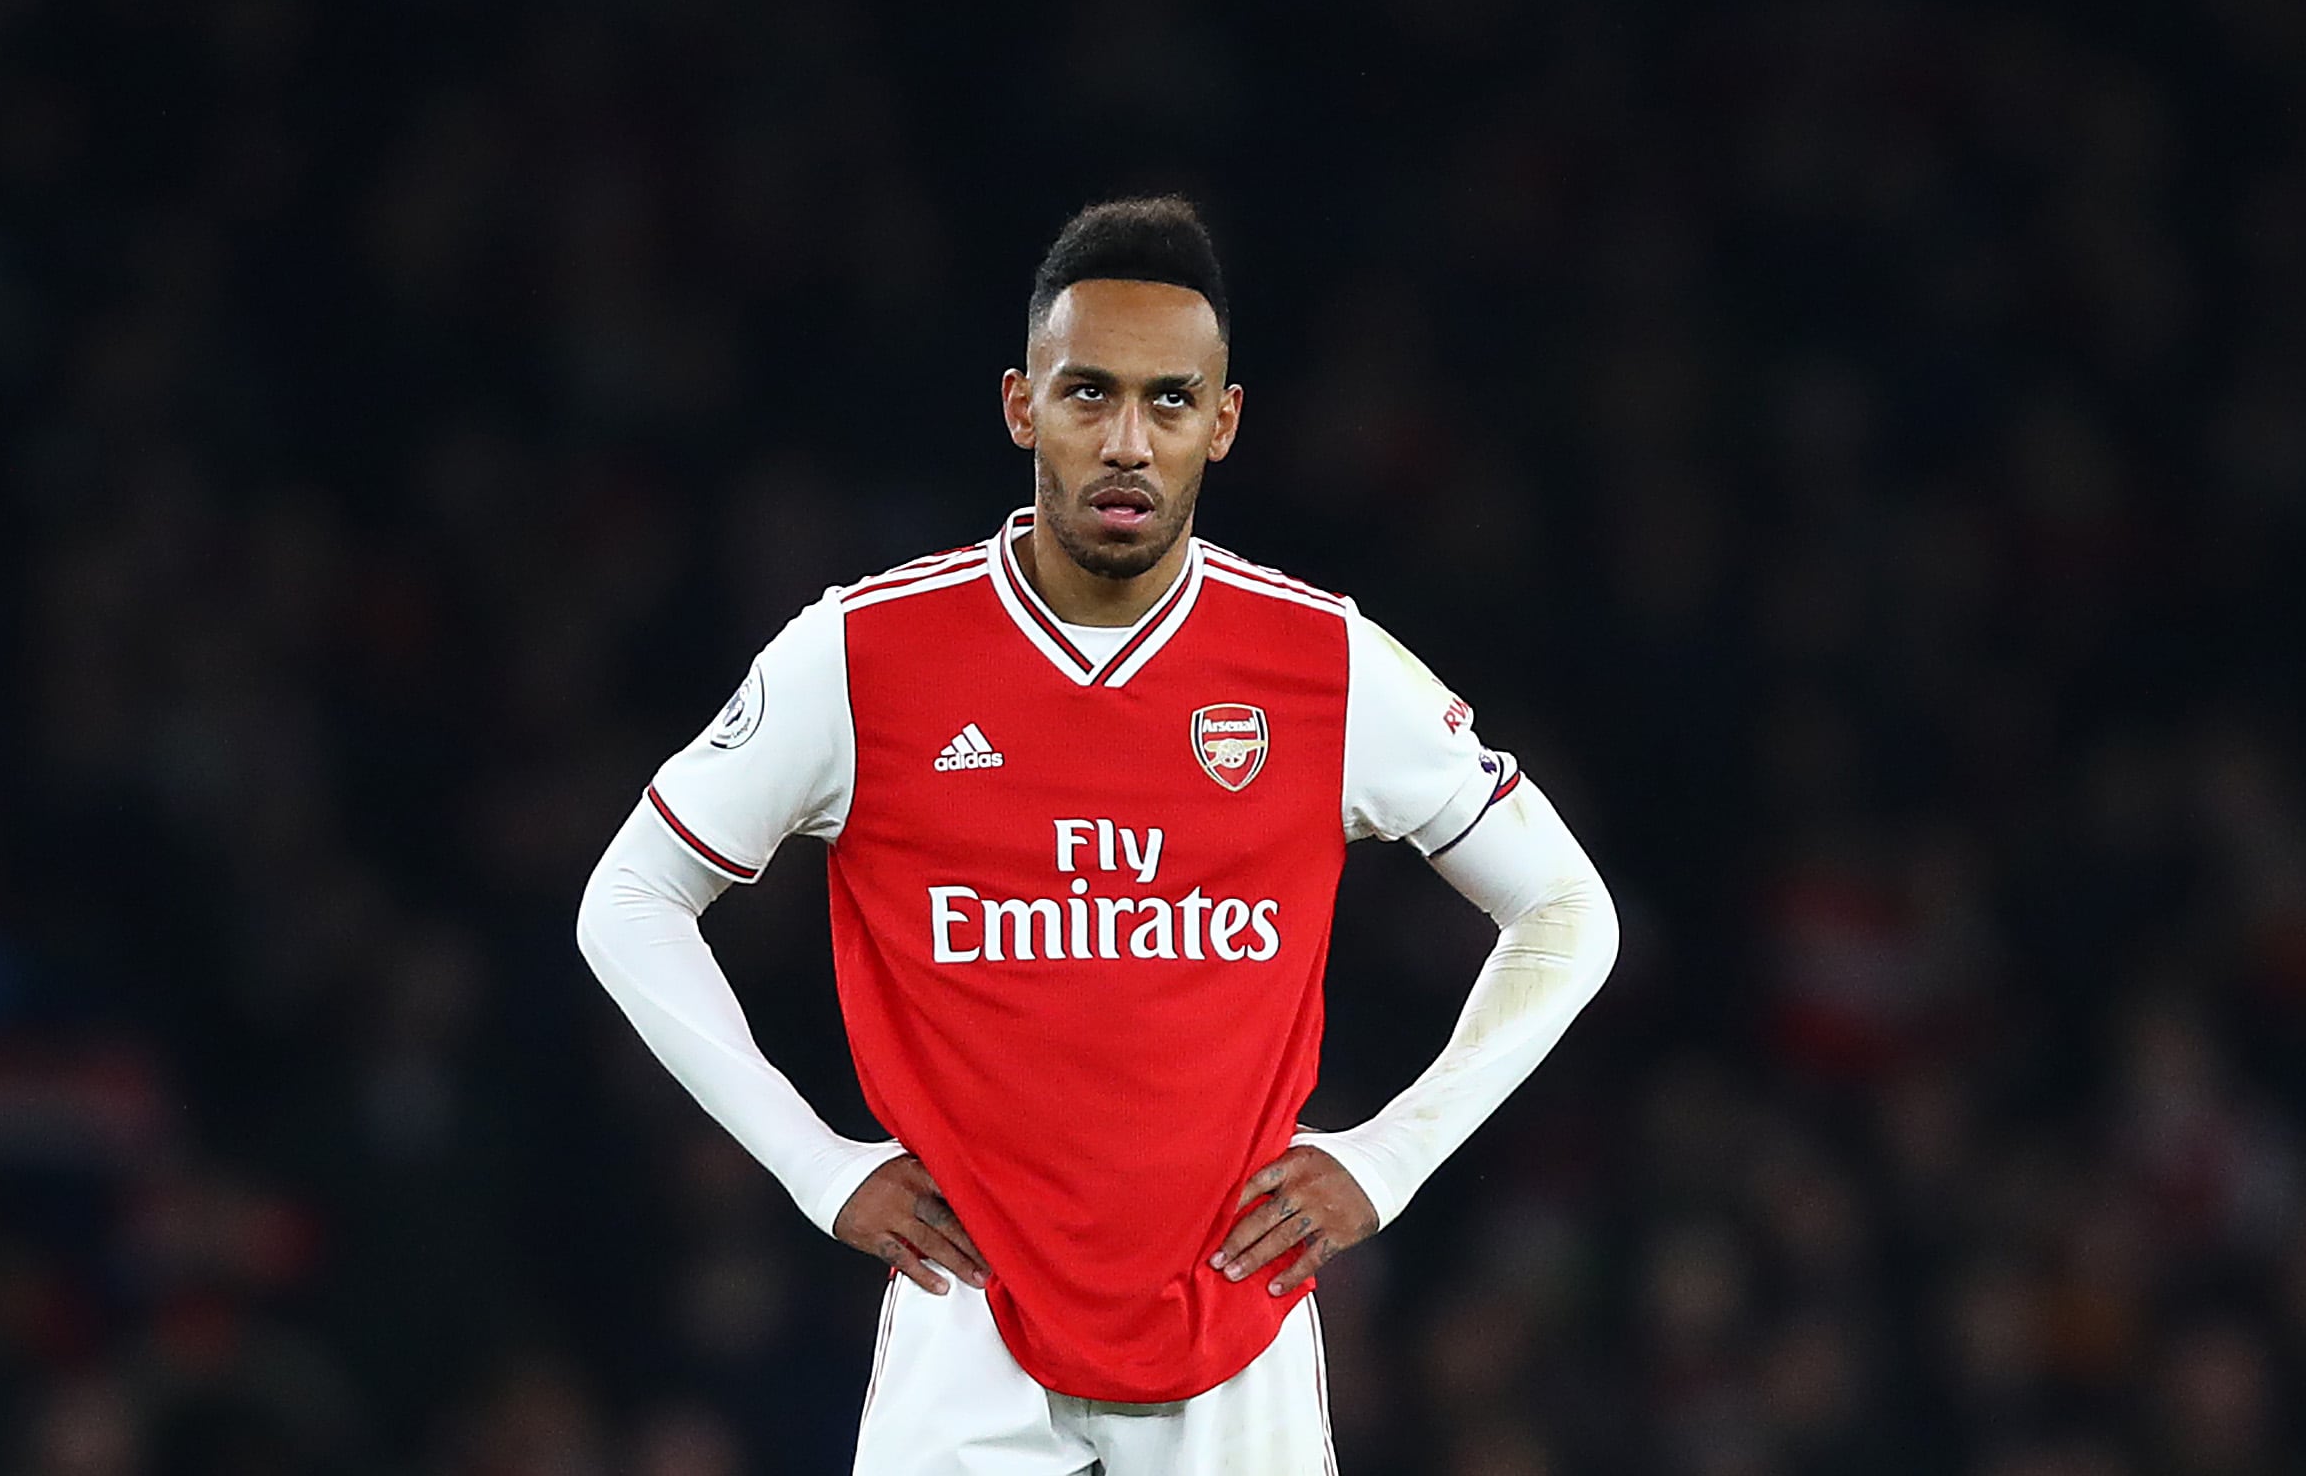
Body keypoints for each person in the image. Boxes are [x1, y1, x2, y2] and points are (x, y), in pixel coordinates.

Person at [577, 197, 1621, 1474]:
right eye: (1089, 395)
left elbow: (1570, 912)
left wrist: (1388, 1159)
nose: (1128, 441)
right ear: (1022, 405)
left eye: (1170, 402)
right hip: (965, 1321)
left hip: (1238, 1334)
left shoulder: (1324, 664)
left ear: (1223, 422)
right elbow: (628, 898)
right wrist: (815, 1165)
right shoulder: (861, 654)